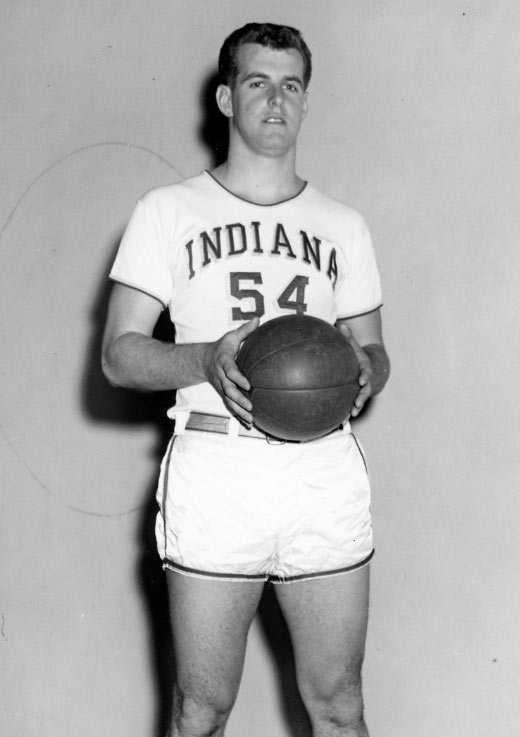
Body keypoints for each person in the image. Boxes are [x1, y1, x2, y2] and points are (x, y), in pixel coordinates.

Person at [102, 22, 390, 737]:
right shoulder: (166, 211)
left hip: (321, 467)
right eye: (258, 82)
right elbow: (119, 353)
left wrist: (365, 372)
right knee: (201, 709)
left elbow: (376, 351)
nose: (276, 100)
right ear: (226, 98)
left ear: (305, 102)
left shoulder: (342, 224)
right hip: (217, 464)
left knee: (340, 703)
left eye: (292, 85)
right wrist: (203, 359)